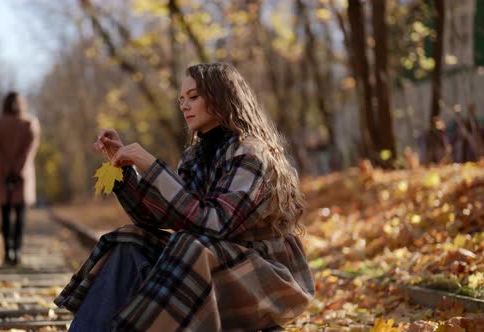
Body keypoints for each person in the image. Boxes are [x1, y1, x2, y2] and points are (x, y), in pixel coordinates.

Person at [55, 63, 315, 331]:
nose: (184, 105)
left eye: (193, 97)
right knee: (130, 240)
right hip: (217, 265)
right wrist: (125, 170)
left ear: (221, 96)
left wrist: (152, 166)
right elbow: (159, 217)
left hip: (266, 278)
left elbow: (216, 223)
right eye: (181, 99)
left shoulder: (250, 153)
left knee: (191, 246)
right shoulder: (195, 157)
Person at [0, 92, 40, 265]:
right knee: (20, 215)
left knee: (5, 214)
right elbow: (29, 150)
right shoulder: (29, 123)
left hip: (2, 176)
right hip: (22, 176)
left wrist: (6, 169)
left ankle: (7, 251)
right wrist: (18, 169)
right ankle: (17, 250)